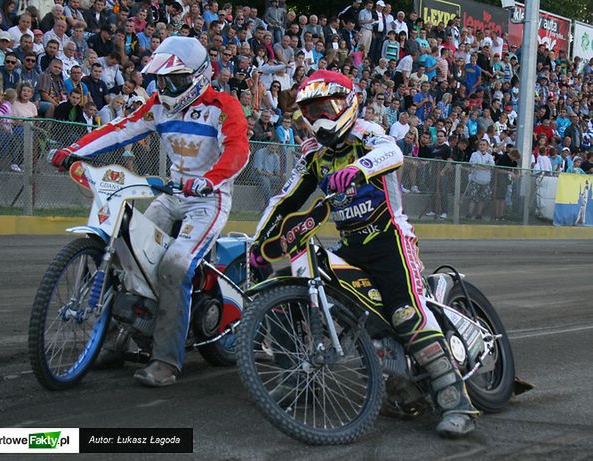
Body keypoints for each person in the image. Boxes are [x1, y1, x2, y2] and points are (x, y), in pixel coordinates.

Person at [250, 69, 478, 438]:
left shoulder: (368, 133)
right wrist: (260, 241)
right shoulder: (313, 154)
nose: (321, 118)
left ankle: (457, 402)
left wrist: (357, 170)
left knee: (406, 314)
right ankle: (313, 378)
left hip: (390, 240)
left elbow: (392, 153)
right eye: (312, 113)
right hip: (351, 246)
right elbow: (284, 199)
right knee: (315, 297)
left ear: (348, 102)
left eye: (327, 107)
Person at [50, 36, 249, 387]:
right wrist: (74, 150)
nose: (167, 87)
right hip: (171, 192)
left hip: (208, 198)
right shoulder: (157, 105)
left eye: (175, 80)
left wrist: (210, 180)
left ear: (199, 76)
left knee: (174, 265)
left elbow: (237, 151)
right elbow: (119, 130)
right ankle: (113, 338)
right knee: (126, 253)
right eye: (162, 80)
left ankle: (166, 360)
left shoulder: (223, 106)